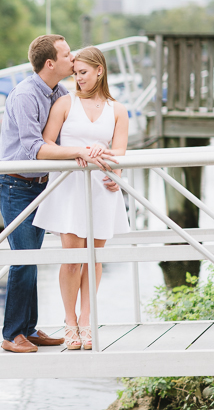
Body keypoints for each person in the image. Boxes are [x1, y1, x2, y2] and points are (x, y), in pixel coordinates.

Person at [0, 35, 114, 353]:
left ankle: (28, 328)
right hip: (15, 184)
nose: (72, 58)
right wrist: (82, 152)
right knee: (24, 259)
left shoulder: (60, 92)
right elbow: (35, 148)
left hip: (42, 184)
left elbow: (72, 128)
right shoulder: (24, 96)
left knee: (35, 258)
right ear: (51, 63)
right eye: (66, 54)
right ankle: (12, 334)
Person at [33, 46, 129, 350]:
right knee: (72, 257)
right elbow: (47, 142)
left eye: (83, 73)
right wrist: (79, 153)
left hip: (101, 188)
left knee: (94, 258)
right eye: (75, 73)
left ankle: (87, 321)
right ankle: (70, 322)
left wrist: (117, 176)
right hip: (70, 187)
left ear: (99, 71)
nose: (78, 79)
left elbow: (120, 154)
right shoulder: (64, 103)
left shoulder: (118, 110)